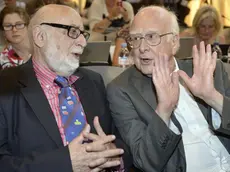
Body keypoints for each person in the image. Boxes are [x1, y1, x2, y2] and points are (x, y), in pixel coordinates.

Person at [0, 4, 131, 172]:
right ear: (40, 36)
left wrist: (113, 154)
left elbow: (121, 143)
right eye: (73, 32)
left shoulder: (92, 81)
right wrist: (65, 164)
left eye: (83, 34)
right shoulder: (6, 86)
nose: (83, 42)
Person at [107, 6, 230, 172]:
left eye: (151, 37)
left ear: (174, 42)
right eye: (135, 39)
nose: (141, 47)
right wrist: (164, 111)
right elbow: (146, 162)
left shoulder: (210, 70)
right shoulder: (122, 90)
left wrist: (212, 97)